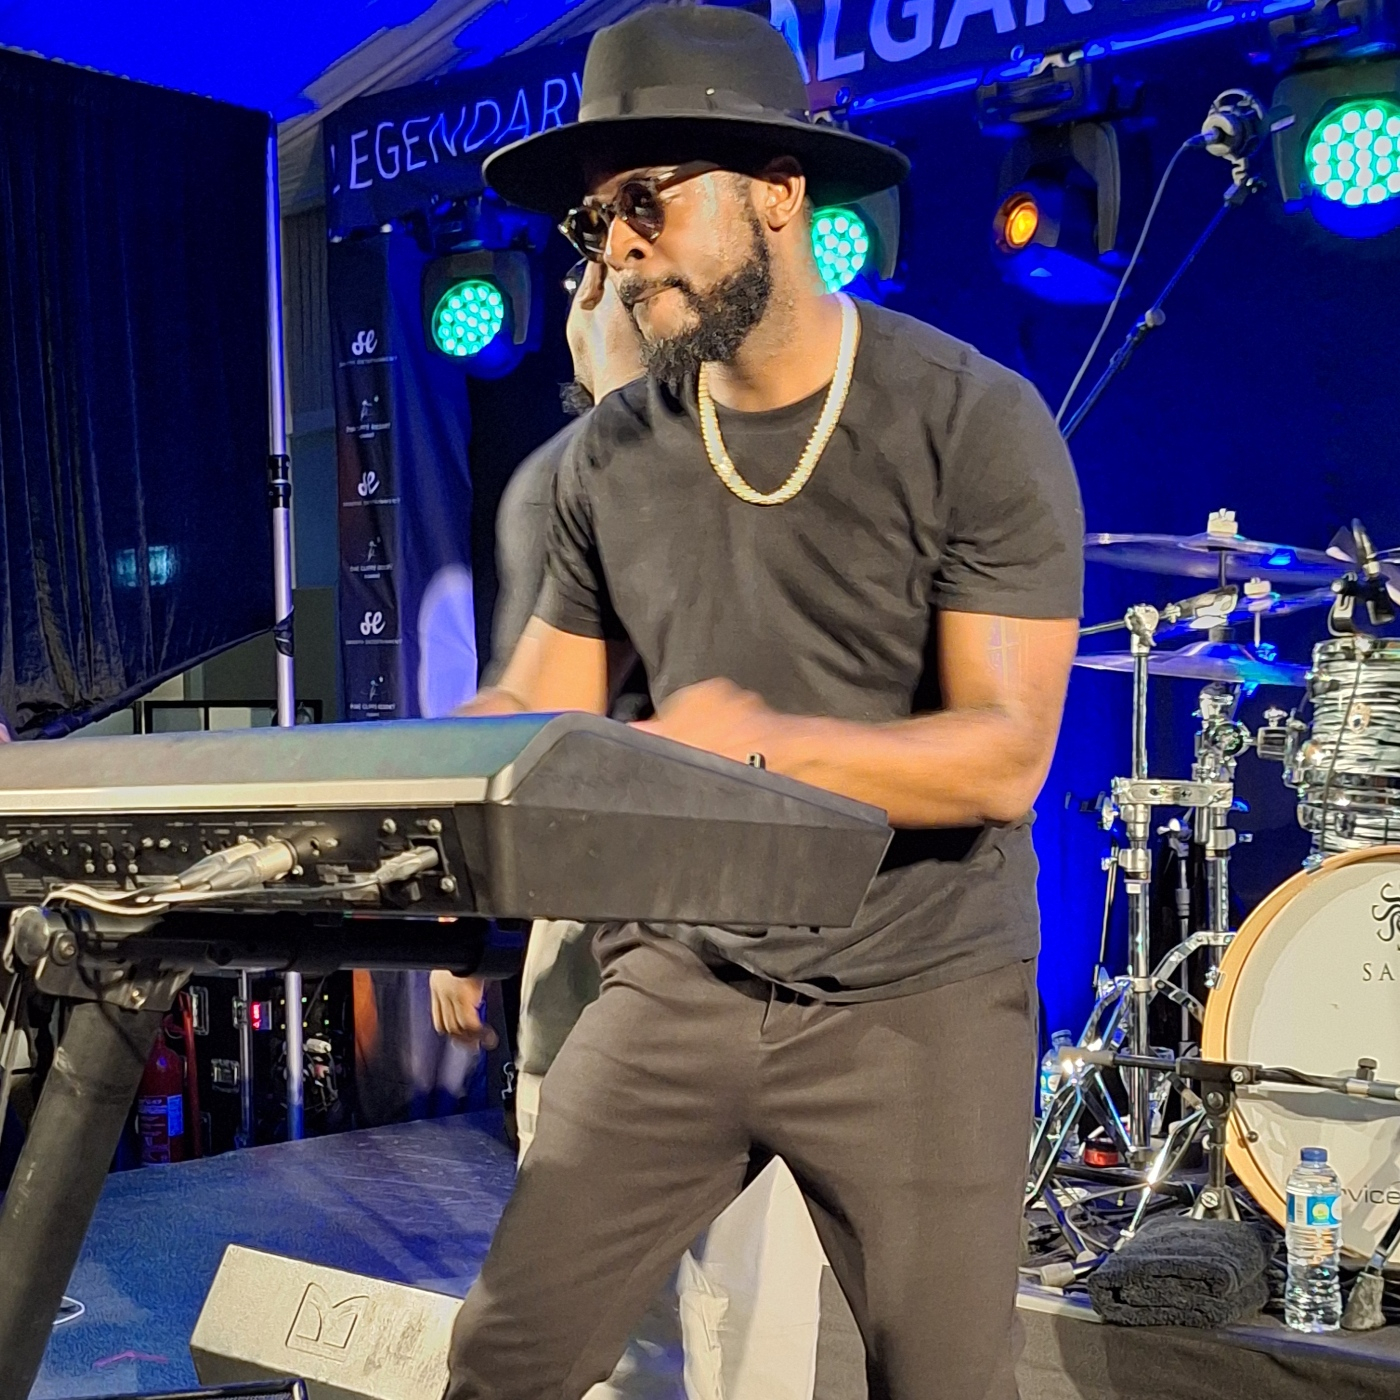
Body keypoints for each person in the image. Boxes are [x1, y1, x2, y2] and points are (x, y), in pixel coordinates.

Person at [446, 7, 1084, 1399]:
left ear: (779, 193)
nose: (618, 247)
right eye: (596, 221)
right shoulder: (608, 460)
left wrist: (747, 748)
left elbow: (1002, 759)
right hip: (681, 975)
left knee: (944, 1381)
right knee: (501, 1359)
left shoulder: (971, 421)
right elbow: (541, 718)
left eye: (648, 201)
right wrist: (408, 800)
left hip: (917, 988)